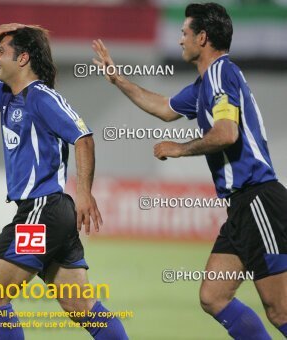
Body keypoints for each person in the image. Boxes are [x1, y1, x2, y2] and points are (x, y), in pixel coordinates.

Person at [92, 2, 287, 339]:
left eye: (184, 33)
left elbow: (227, 133)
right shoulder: (203, 86)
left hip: (259, 202)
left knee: (279, 308)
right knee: (213, 296)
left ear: (203, 37)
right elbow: (164, 109)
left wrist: (180, 149)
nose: (179, 39)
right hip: (242, 207)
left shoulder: (221, 73)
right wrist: (117, 79)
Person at [0, 24, 129, 340]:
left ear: (23, 59)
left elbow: (84, 138)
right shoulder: (5, 95)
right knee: (81, 306)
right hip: (49, 215)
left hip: (41, 212)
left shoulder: (41, 97)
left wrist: (85, 193)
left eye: (1, 51)